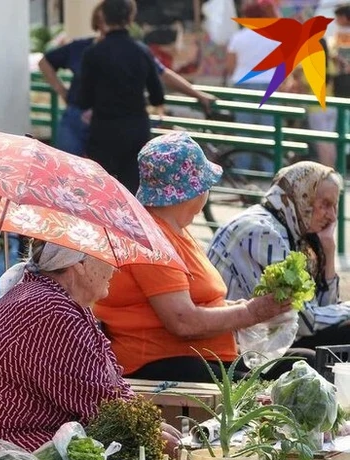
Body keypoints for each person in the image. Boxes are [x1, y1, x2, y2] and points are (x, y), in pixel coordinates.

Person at [93, 132, 294, 382]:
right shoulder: (150, 238)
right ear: (195, 191)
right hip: (163, 365)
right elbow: (183, 321)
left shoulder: (171, 229)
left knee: (296, 363)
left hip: (197, 359)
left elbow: (200, 304)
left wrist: (250, 309)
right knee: (289, 377)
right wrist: (251, 312)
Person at [0, 240, 131, 451]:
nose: (115, 267)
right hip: (4, 458)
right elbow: (102, 407)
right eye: (106, 256)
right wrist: (152, 429)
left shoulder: (55, 300)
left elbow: (111, 382)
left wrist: (148, 421)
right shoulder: (51, 311)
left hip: (16, 448)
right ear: (78, 264)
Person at [39, 2, 215, 157]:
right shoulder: (132, 50)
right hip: (108, 121)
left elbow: (164, 74)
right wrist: (62, 90)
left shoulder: (92, 53)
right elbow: (158, 86)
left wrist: (196, 93)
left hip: (102, 122)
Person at [207, 161, 350, 349]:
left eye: (335, 206)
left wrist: (328, 251)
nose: (332, 216)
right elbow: (306, 322)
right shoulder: (263, 232)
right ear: (302, 196)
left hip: (260, 338)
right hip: (237, 348)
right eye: (325, 204)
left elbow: (323, 311)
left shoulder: (290, 229)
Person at [77, 0, 166, 193]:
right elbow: (157, 95)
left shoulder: (93, 53)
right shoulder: (142, 51)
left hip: (104, 131)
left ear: (103, 17)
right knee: (132, 192)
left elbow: (83, 98)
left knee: (100, 190)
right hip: (136, 129)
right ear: (130, 18)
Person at [224, 0, 280, 174]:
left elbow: (230, 66)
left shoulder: (238, 37)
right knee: (269, 130)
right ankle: (269, 170)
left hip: (243, 83)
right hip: (270, 84)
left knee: (244, 129)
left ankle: (243, 169)